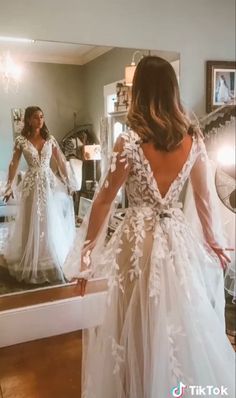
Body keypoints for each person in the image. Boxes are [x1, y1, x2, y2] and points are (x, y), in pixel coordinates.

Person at [66, 57, 235, 397]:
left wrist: (85, 254)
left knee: (135, 323)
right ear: (172, 91)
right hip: (176, 241)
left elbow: (103, 201)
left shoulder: (128, 143)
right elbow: (204, 201)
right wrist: (216, 243)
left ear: (140, 92)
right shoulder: (193, 140)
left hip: (136, 241)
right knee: (177, 319)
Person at [3, 106, 75, 284]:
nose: (40, 120)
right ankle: (31, 256)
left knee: (48, 219)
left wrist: (68, 181)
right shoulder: (21, 140)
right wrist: (9, 186)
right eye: (36, 117)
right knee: (31, 220)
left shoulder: (49, 139)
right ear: (28, 120)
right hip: (31, 185)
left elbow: (61, 161)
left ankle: (48, 254)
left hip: (48, 183)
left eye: (42, 117)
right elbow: (13, 163)